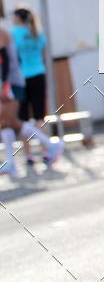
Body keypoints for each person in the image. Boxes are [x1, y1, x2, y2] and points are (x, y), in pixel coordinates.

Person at [10, 9, 63, 167]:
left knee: (23, 118)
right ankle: (47, 152)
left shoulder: (14, 33)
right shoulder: (36, 31)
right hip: (38, 74)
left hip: (21, 78)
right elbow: (41, 50)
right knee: (40, 117)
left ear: (18, 18)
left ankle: (29, 156)